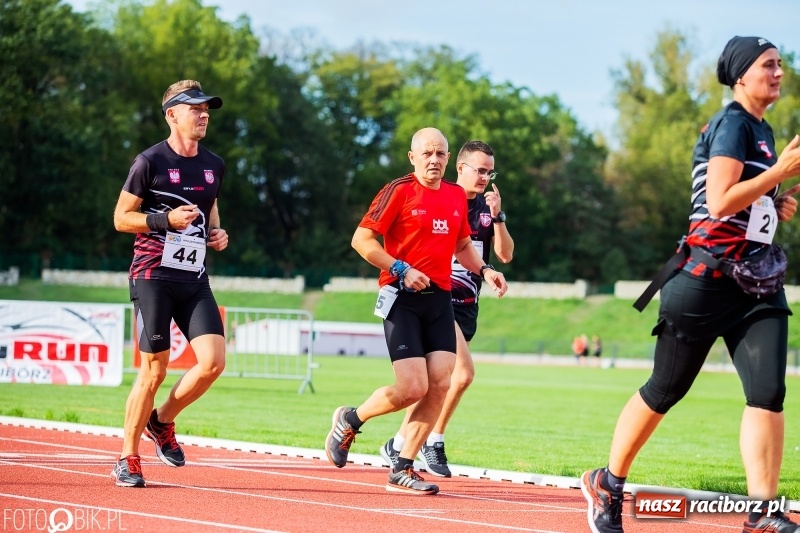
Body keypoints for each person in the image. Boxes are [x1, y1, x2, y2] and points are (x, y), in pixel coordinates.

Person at [581, 36, 800, 533]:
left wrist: (774, 201)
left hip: (756, 282)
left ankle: (763, 513)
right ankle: (607, 483)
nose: (780, 72)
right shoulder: (732, 123)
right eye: (770, 65)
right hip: (704, 279)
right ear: (741, 74)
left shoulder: (762, 130)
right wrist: (779, 174)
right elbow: (721, 200)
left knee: (768, 392)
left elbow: (739, 205)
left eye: (782, 64)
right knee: (665, 388)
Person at [325, 127, 508, 495]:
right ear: (413, 157)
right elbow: (361, 240)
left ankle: (403, 467)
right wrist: (401, 269)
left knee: (441, 382)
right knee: (412, 387)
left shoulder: (457, 196)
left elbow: (461, 245)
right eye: (427, 153)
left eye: (440, 153)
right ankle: (350, 419)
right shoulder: (399, 190)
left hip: (439, 300)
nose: (434, 160)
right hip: (401, 295)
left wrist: (486, 270)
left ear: (448, 159)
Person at [111, 80, 229, 487]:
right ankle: (128, 457)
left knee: (213, 362)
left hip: (193, 278)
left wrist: (217, 233)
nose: (204, 114)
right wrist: (164, 220)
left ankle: (161, 421)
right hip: (153, 276)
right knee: (154, 370)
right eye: (195, 108)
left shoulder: (214, 163)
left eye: (206, 108)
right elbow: (121, 218)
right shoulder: (150, 161)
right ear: (172, 114)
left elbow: (210, 207)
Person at [378, 140, 515, 478]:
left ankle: (397, 444)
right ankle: (432, 440)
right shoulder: (443, 195)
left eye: (489, 172)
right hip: (437, 300)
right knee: (462, 374)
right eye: (479, 170)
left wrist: (498, 218)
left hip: (468, 306)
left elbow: (506, 255)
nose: (484, 177)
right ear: (461, 168)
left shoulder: (485, 208)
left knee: (433, 382)